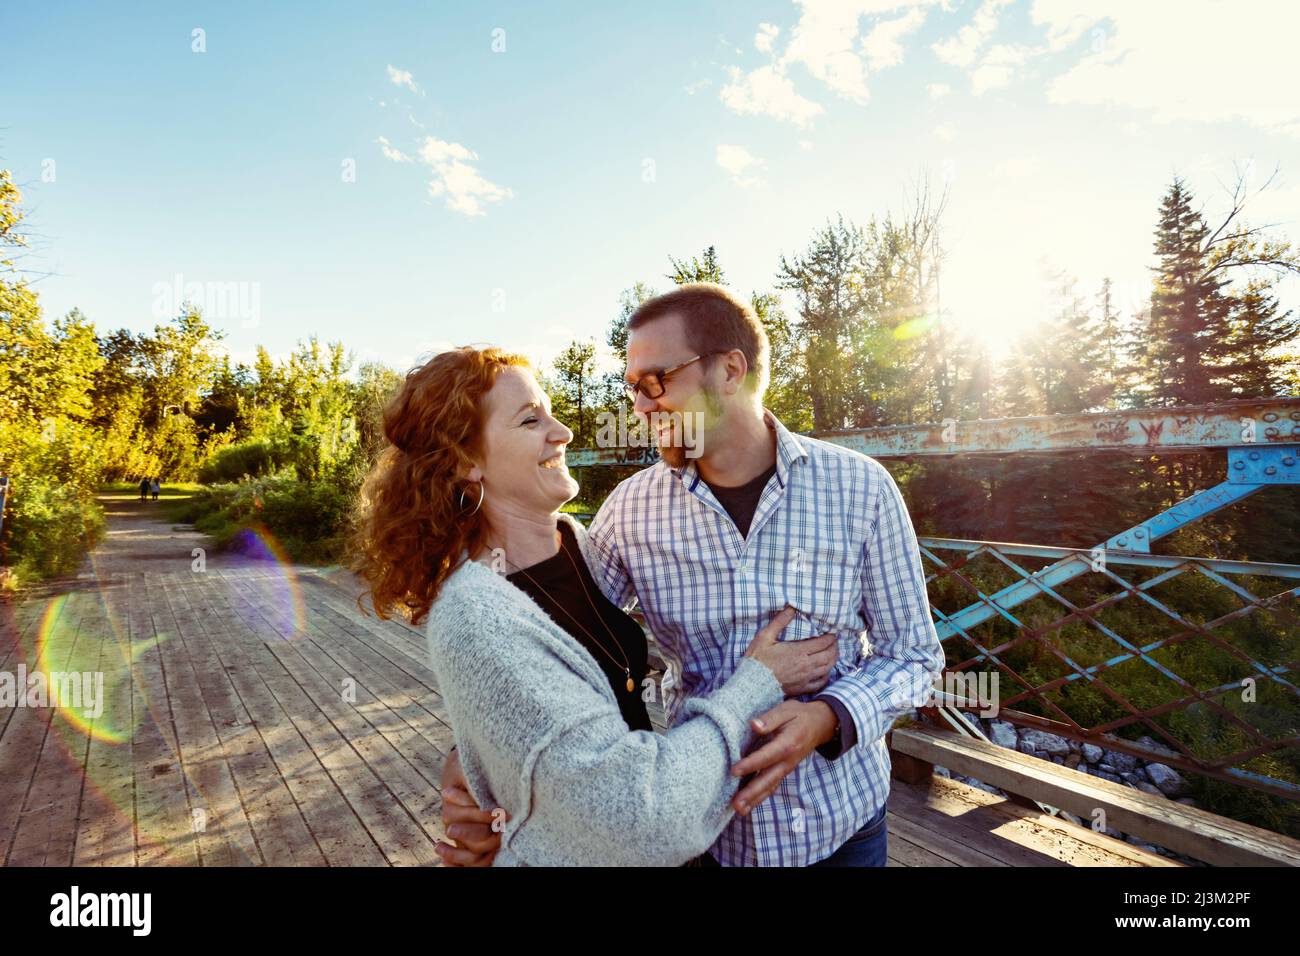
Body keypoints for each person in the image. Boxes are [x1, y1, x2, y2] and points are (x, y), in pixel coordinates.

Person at [443, 283, 947, 867]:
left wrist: (828, 718)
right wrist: (476, 756)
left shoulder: (860, 488)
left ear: (729, 369)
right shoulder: (633, 510)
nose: (640, 406)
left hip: (841, 828)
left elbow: (913, 655)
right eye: (632, 388)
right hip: (709, 838)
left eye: (656, 382)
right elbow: (557, 639)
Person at [349, 346, 840, 866]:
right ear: (465, 461)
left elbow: (534, 718)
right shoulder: (475, 616)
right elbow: (644, 819)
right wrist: (758, 681)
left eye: (552, 412)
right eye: (530, 420)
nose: (562, 432)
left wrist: (479, 763)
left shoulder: (577, 544)